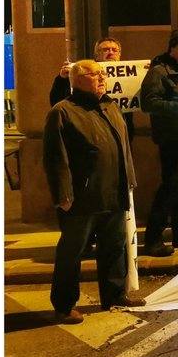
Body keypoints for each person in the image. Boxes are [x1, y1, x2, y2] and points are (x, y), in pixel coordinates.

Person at [43, 60, 143, 322]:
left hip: (113, 191)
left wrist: (129, 179)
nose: (102, 77)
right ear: (76, 79)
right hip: (81, 197)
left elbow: (122, 149)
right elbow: (55, 158)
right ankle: (64, 305)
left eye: (103, 73)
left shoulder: (110, 107)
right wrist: (62, 195)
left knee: (115, 245)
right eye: (95, 73)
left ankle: (114, 294)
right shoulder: (63, 111)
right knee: (71, 252)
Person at [140, 28, 178, 257]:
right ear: (172, 46)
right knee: (171, 186)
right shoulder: (159, 71)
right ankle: (154, 238)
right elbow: (149, 102)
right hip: (172, 139)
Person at [50, 37, 124, 106]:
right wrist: (62, 79)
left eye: (114, 50)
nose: (110, 53)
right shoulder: (82, 73)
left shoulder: (131, 74)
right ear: (97, 55)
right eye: (105, 50)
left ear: (119, 54)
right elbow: (56, 102)